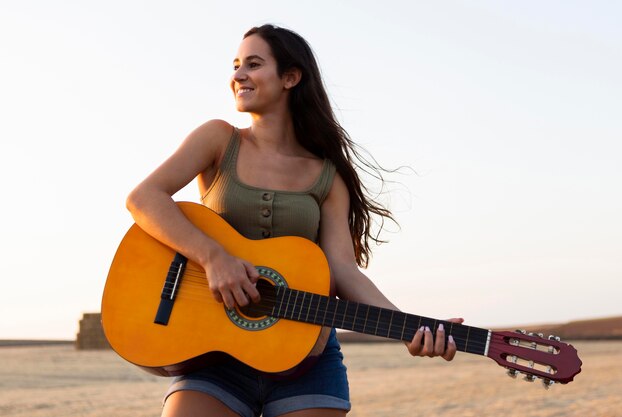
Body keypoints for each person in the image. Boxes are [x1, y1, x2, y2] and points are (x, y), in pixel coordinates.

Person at [126, 24, 463, 417]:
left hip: (308, 358)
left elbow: (342, 270)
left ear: (290, 77)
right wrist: (213, 257)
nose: (237, 75)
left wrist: (409, 326)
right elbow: (144, 198)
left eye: (252, 64)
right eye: (235, 65)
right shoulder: (218, 140)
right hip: (212, 352)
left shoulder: (327, 175)